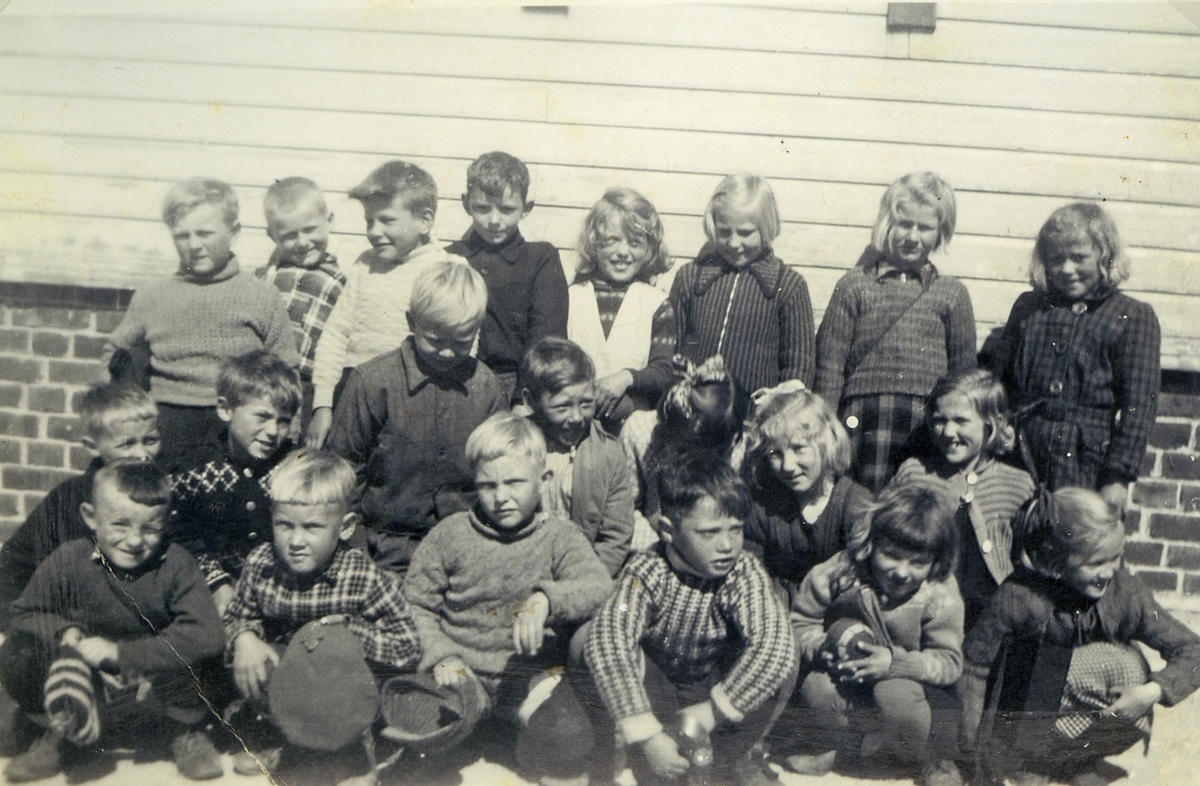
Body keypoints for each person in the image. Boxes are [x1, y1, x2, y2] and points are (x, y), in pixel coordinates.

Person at [402, 412, 612, 781]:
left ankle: (530, 749)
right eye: (487, 486)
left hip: (529, 678)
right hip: (461, 674)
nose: (501, 498)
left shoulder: (559, 536)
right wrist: (441, 655)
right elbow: (416, 603)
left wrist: (545, 600)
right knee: (421, 735)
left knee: (566, 734)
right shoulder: (450, 534)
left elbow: (599, 587)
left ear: (543, 479)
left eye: (515, 482)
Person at [0, 461, 226, 783]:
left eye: (150, 528)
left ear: (165, 521)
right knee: (19, 652)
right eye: (120, 525)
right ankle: (65, 732)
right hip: (90, 678)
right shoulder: (70, 558)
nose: (135, 541)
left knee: (201, 656)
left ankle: (183, 731)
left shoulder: (176, 563)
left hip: (156, 679)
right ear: (91, 517)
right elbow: (25, 612)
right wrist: (66, 631)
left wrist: (123, 654)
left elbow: (207, 633)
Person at [583, 450, 798, 786]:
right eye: (709, 533)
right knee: (594, 641)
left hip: (715, 688)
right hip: (658, 691)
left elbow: (775, 647)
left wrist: (713, 711)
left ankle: (733, 757)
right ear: (668, 530)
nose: (727, 545)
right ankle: (640, 752)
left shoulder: (742, 571)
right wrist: (647, 734)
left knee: (785, 653)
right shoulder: (647, 571)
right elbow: (608, 640)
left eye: (736, 529)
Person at [960, 487, 1200, 786]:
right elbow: (974, 667)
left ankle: (1075, 761)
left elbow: (1193, 650)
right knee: (1047, 661)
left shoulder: (1125, 594)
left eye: (1116, 558)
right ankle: (1024, 763)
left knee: (1128, 669)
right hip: (1019, 715)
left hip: (1064, 711)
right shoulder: (1019, 595)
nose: (1110, 571)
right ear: (1056, 562)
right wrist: (971, 747)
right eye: (1096, 563)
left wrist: (1151, 692)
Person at [223, 449, 421, 776]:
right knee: (254, 657)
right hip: (287, 679)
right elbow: (237, 615)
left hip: (341, 685)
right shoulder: (261, 563)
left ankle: (350, 749)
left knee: (335, 649)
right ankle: (281, 735)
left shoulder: (364, 577)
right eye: (284, 525)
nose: (295, 540)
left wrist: (350, 630)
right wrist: (244, 637)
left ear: (344, 527)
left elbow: (407, 646)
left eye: (312, 527)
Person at [102, 176, 299, 470]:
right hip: (169, 429)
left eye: (205, 233)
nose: (193, 245)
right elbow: (114, 356)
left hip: (238, 431)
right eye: (182, 235)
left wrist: (289, 438)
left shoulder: (262, 297)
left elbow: (288, 369)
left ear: (234, 232)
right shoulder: (153, 295)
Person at [327, 261, 507, 576]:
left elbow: (501, 468)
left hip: (465, 545)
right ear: (412, 322)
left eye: (462, 343)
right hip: (382, 547)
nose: (448, 353)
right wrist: (354, 546)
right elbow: (344, 470)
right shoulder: (372, 382)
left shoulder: (486, 386)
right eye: (435, 341)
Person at [787, 476, 964, 786]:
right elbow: (801, 622)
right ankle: (842, 748)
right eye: (891, 555)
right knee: (817, 686)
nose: (901, 571)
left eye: (918, 562)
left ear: (935, 560)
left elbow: (949, 663)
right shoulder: (842, 572)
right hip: (851, 679)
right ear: (870, 543)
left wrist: (895, 663)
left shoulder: (938, 593)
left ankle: (925, 759)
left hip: (910, 691)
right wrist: (822, 648)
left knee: (893, 692)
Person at [991, 203, 1160, 513]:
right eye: (1056, 259)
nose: (1067, 269)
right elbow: (999, 383)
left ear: (1104, 256)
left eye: (1079, 257)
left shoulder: (1132, 315)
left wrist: (1118, 477)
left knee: (1077, 547)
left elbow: (1139, 408)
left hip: (1085, 463)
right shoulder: (1028, 307)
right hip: (1019, 453)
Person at [815, 172, 976, 493]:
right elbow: (830, 366)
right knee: (860, 503)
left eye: (925, 227)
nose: (913, 236)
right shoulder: (854, 286)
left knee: (915, 506)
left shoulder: (952, 293)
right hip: (862, 419)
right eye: (904, 224)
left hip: (925, 421)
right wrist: (826, 427)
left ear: (941, 232)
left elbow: (964, 374)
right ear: (887, 224)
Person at [307, 160, 469, 447]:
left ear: (424, 220)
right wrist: (323, 404)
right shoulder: (365, 265)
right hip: (352, 393)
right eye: (369, 221)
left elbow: (464, 343)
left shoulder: (446, 268)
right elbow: (336, 334)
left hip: (413, 398)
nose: (373, 231)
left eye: (387, 220)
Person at [0, 381, 161, 629]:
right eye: (127, 444)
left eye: (150, 440)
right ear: (92, 446)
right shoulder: (70, 498)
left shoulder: (164, 495)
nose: (142, 454)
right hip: (68, 624)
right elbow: (15, 565)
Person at [890, 369, 1036, 631]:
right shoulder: (915, 473)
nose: (948, 432)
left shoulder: (1017, 484)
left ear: (990, 423)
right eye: (939, 420)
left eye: (961, 420)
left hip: (990, 616)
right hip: (927, 609)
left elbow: (1026, 560)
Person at [171, 350, 301, 615]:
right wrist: (217, 582)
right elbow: (179, 534)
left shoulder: (293, 466)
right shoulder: (196, 467)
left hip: (278, 583)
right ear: (225, 409)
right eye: (262, 417)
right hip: (210, 584)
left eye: (283, 421)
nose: (274, 431)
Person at [670, 173, 815, 398]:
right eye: (724, 231)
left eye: (745, 233)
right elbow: (671, 349)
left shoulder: (788, 286)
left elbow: (798, 367)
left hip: (754, 419)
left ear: (766, 228)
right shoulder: (690, 278)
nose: (734, 243)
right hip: (691, 413)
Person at [446, 151, 568, 403]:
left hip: (516, 382)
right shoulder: (449, 257)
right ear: (465, 203)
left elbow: (546, 338)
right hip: (452, 380)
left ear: (526, 208)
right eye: (482, 208)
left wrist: (522, 400)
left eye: (506, 209)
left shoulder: (540, 258)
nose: (493, 220)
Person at [521, 337, 635, 576]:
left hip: (585, 571)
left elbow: (616, 535)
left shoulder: (608, 453)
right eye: (562, 407)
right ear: (531, 402)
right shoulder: (515, 446)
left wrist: (585, 581)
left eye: (586, 403)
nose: (576, 417)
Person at [741, 382, 871, 590]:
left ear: (826, 445)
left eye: (799, 448)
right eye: (776, 454)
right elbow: (749, 575)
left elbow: (862, 581)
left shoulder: (853, 503)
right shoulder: (764, 507)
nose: (788, 466)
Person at [567, 187, 676, 430]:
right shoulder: (572, 297)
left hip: (634, 429)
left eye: (635, 243)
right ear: (594, 244)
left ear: (648, 249)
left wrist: (627, 378)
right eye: (612, 241)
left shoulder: (657, 303)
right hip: (576, 427)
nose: (622, 253)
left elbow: (664, 371)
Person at [621, 354, 747, 549]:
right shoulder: (640, 431)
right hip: (653, 545)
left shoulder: (735, 444)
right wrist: (658, 548)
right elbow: (625, 508)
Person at [255, 176, 347, 428]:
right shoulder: (266, 277)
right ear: (272, 236)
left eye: (309, 230)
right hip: (265, 379)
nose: (303, 242)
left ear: (329, 221)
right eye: (289, 235)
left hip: (311, 384)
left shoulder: (342, 280)